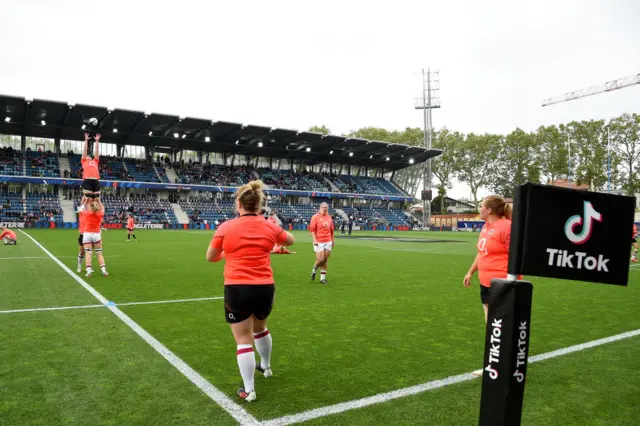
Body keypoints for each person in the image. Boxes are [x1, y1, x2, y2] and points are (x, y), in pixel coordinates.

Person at [206, 180, 294, 403]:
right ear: (259, 205)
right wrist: (272, 235)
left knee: (243, 339)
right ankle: (266, 366)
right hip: (265, 287)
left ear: (239, 204)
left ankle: (249, 390)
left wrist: (230, 253)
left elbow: (211, 257)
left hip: (237, 287)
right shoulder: (269, 225)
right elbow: (290, 240)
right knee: (260, 328)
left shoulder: (226, 227)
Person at [463, 195, 515, 376]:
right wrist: (471, 272)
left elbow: (517, 256)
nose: (479, 209)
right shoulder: (486, 227)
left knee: (500, 326)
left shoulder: (507, 227)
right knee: (491, 326)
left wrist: (510, 281)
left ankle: (502, 364)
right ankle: (494, 364)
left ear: (489, 210)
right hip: (486, 283)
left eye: (481, 206)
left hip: (502, 284)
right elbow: (481, 253)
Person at [80, 199, 109, 277]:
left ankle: (88, 271)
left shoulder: (86, 213)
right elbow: (103, 208)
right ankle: (104, 270)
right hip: (96, 235)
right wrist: (99, 201)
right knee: (99, 254)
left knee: (88, 254)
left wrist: (85, 202)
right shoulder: (100, 214)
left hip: (87, 234)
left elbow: (80, 209)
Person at [309, 202, 335, 284]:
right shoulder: (315, 217)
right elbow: (312, 230)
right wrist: (315, 240)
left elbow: (331, 231)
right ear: (320, 208)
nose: (325, 208)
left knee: (325, 259)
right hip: (319, 241)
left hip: (328, 241)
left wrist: (333, 240)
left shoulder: (329, 217)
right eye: (323, 207)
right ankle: (314, 269)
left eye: (326, 207)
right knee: (320, 259)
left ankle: (322, 278)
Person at [81, 132, 101, 201]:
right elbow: (85, 151)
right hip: (87, 180)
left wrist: (97, 141)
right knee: (88, 200)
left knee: (96, 200)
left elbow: (97, 151)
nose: (88, 156)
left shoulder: (95, 161)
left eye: (89, 156)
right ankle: (83, 209)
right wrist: (86, 140)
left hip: (95, 180)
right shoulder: (84, 161)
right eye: (87, 156)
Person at [77, 205, 86, 272]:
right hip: (82, 234)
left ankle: (88, 267)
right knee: (82, 252)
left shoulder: (90, 214)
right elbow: (81, 208)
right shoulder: (81, 213)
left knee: (89, 252)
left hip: (89, 234)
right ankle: (79, 265)